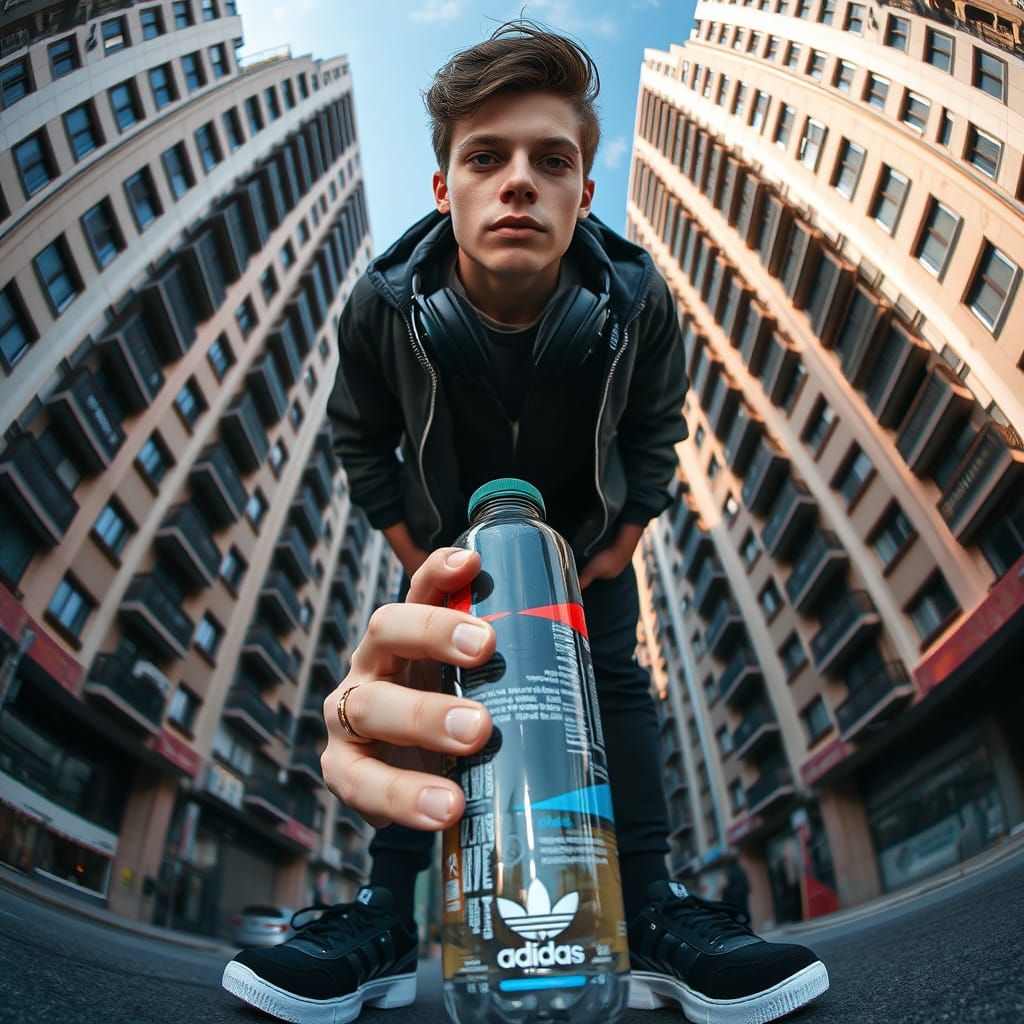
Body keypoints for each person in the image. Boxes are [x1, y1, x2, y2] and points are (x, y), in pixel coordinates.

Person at [221, 22, 829, 1024]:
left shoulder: (637, 305)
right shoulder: (380, 308)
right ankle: (383, 915)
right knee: (425, 687)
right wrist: (418, 551)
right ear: (443, 190)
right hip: (447, 550)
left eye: (551, 160)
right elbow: (357, 436)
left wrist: (620, 542)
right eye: (485, 157)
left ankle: (652, 909)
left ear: (584, 194)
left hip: (589, 552)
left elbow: (655, 426)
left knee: (620, 688)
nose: (518, 182)